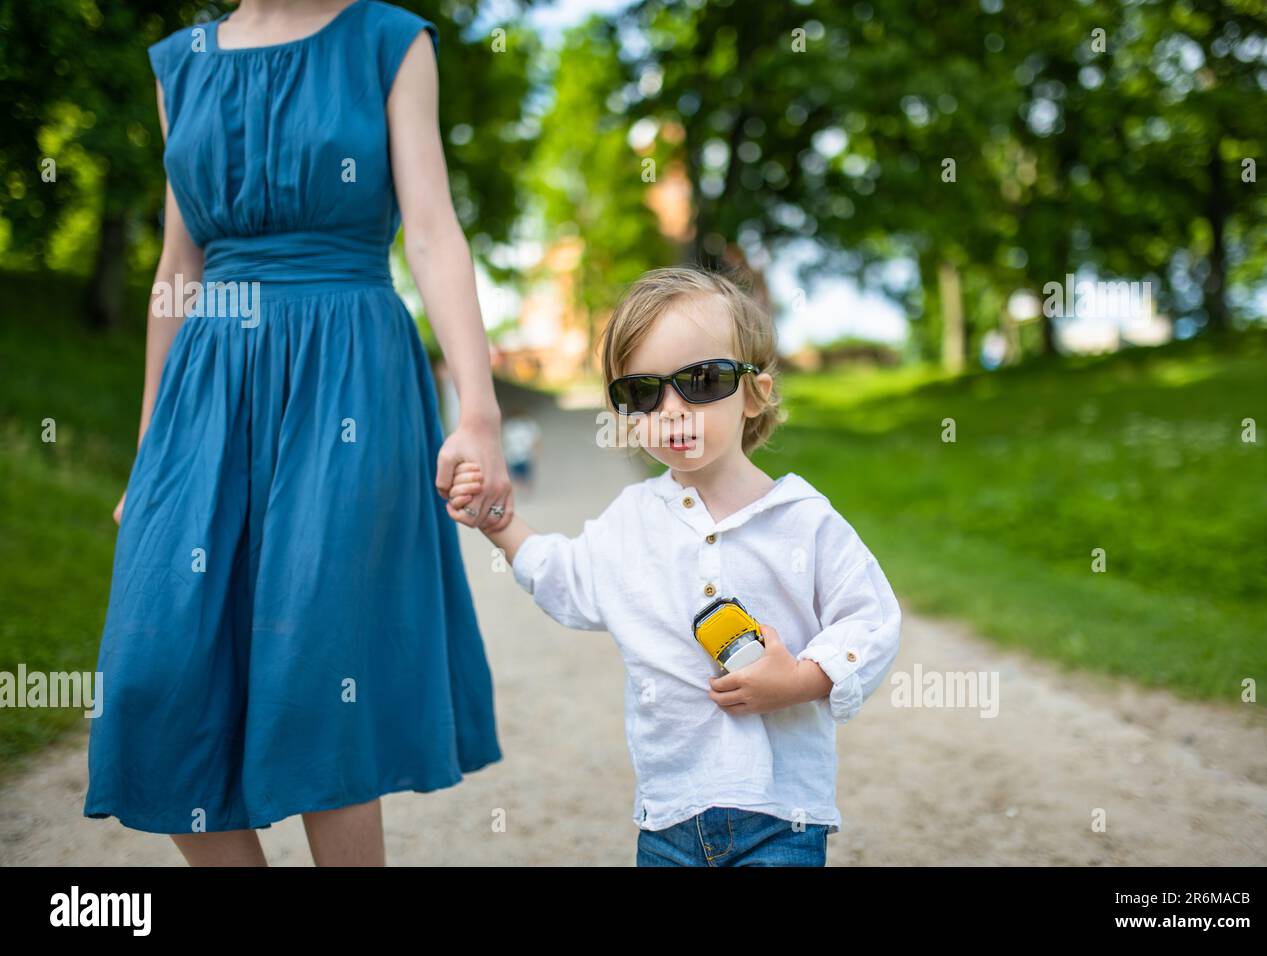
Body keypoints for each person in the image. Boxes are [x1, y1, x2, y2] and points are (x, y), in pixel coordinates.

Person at [84, 0, 512, 866]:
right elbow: (180, 263)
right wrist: (149, 452)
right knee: (150, 674)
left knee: (323, 674)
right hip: (209, 380)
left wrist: (478, 410)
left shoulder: (390, 40)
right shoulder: (181, 62)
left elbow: (431, 233)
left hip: (348, 366)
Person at [447, 267, 903, 866]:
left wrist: (801, 680)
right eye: (642, 392)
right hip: (668, 816)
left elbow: (870, 620)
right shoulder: (632, 520)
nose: (671, 408)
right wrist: (501, 524)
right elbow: (568, 575)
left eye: (702, 380)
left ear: (756, 393)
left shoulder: (803, 520)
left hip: (782, 813)